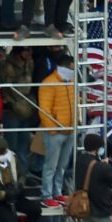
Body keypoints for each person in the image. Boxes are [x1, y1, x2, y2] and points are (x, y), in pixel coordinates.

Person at [37, 55, 75, 201]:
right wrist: (53, 129)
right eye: (71, 67)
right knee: (50, 166)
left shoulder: (71, 81)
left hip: (70, 130)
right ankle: (47, 194)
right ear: (64, 67)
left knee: (62, 165)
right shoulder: (48, 83)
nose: (73, 70)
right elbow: (44, 110)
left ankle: (57, 192)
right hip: (56, 133)